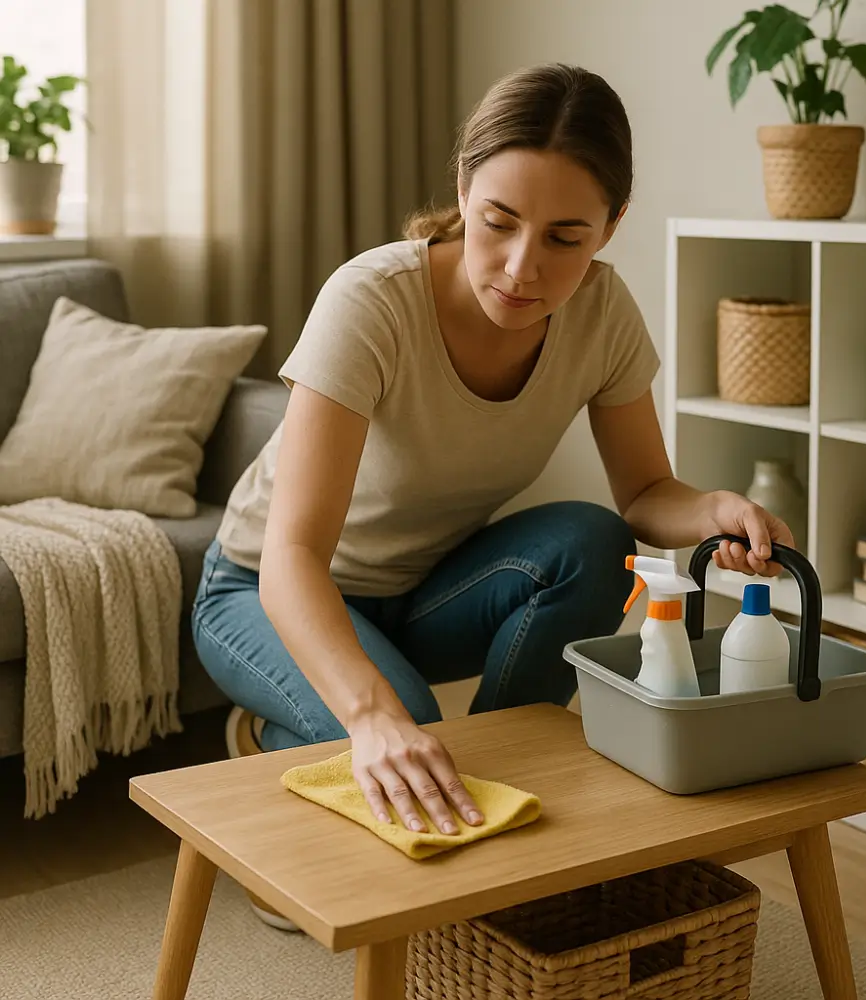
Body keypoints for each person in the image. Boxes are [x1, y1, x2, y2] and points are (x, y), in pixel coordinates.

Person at [191, 62, 794, 928]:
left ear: (612, 227)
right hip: (261, 591)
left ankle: (491, 790)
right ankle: (288, 733)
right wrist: (369, 716)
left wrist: (717, 512)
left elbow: (646, 492)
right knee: (403, 723)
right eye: (498, 223)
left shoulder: (604, 314)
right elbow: (290, 556)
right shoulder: (371, 302)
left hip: (427, 589)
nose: (521, 268)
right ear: (465, 189)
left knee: (590, 538)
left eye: (565, 238)